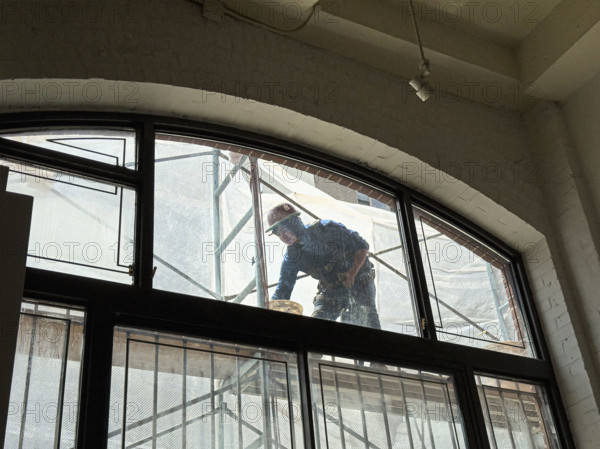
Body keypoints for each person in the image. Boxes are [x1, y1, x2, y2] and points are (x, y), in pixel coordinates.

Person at [266, 202, 381, 329]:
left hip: (359, 282)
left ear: (294, 223)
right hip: (331, 290)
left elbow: (362, 246)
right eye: (278, 234)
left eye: (284, 230)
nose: (283, 237)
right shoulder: (292, 257)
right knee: (316, 328)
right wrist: (266, 312)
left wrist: (352, 273)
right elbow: (282, 291)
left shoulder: (327, 229)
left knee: (367, 324)